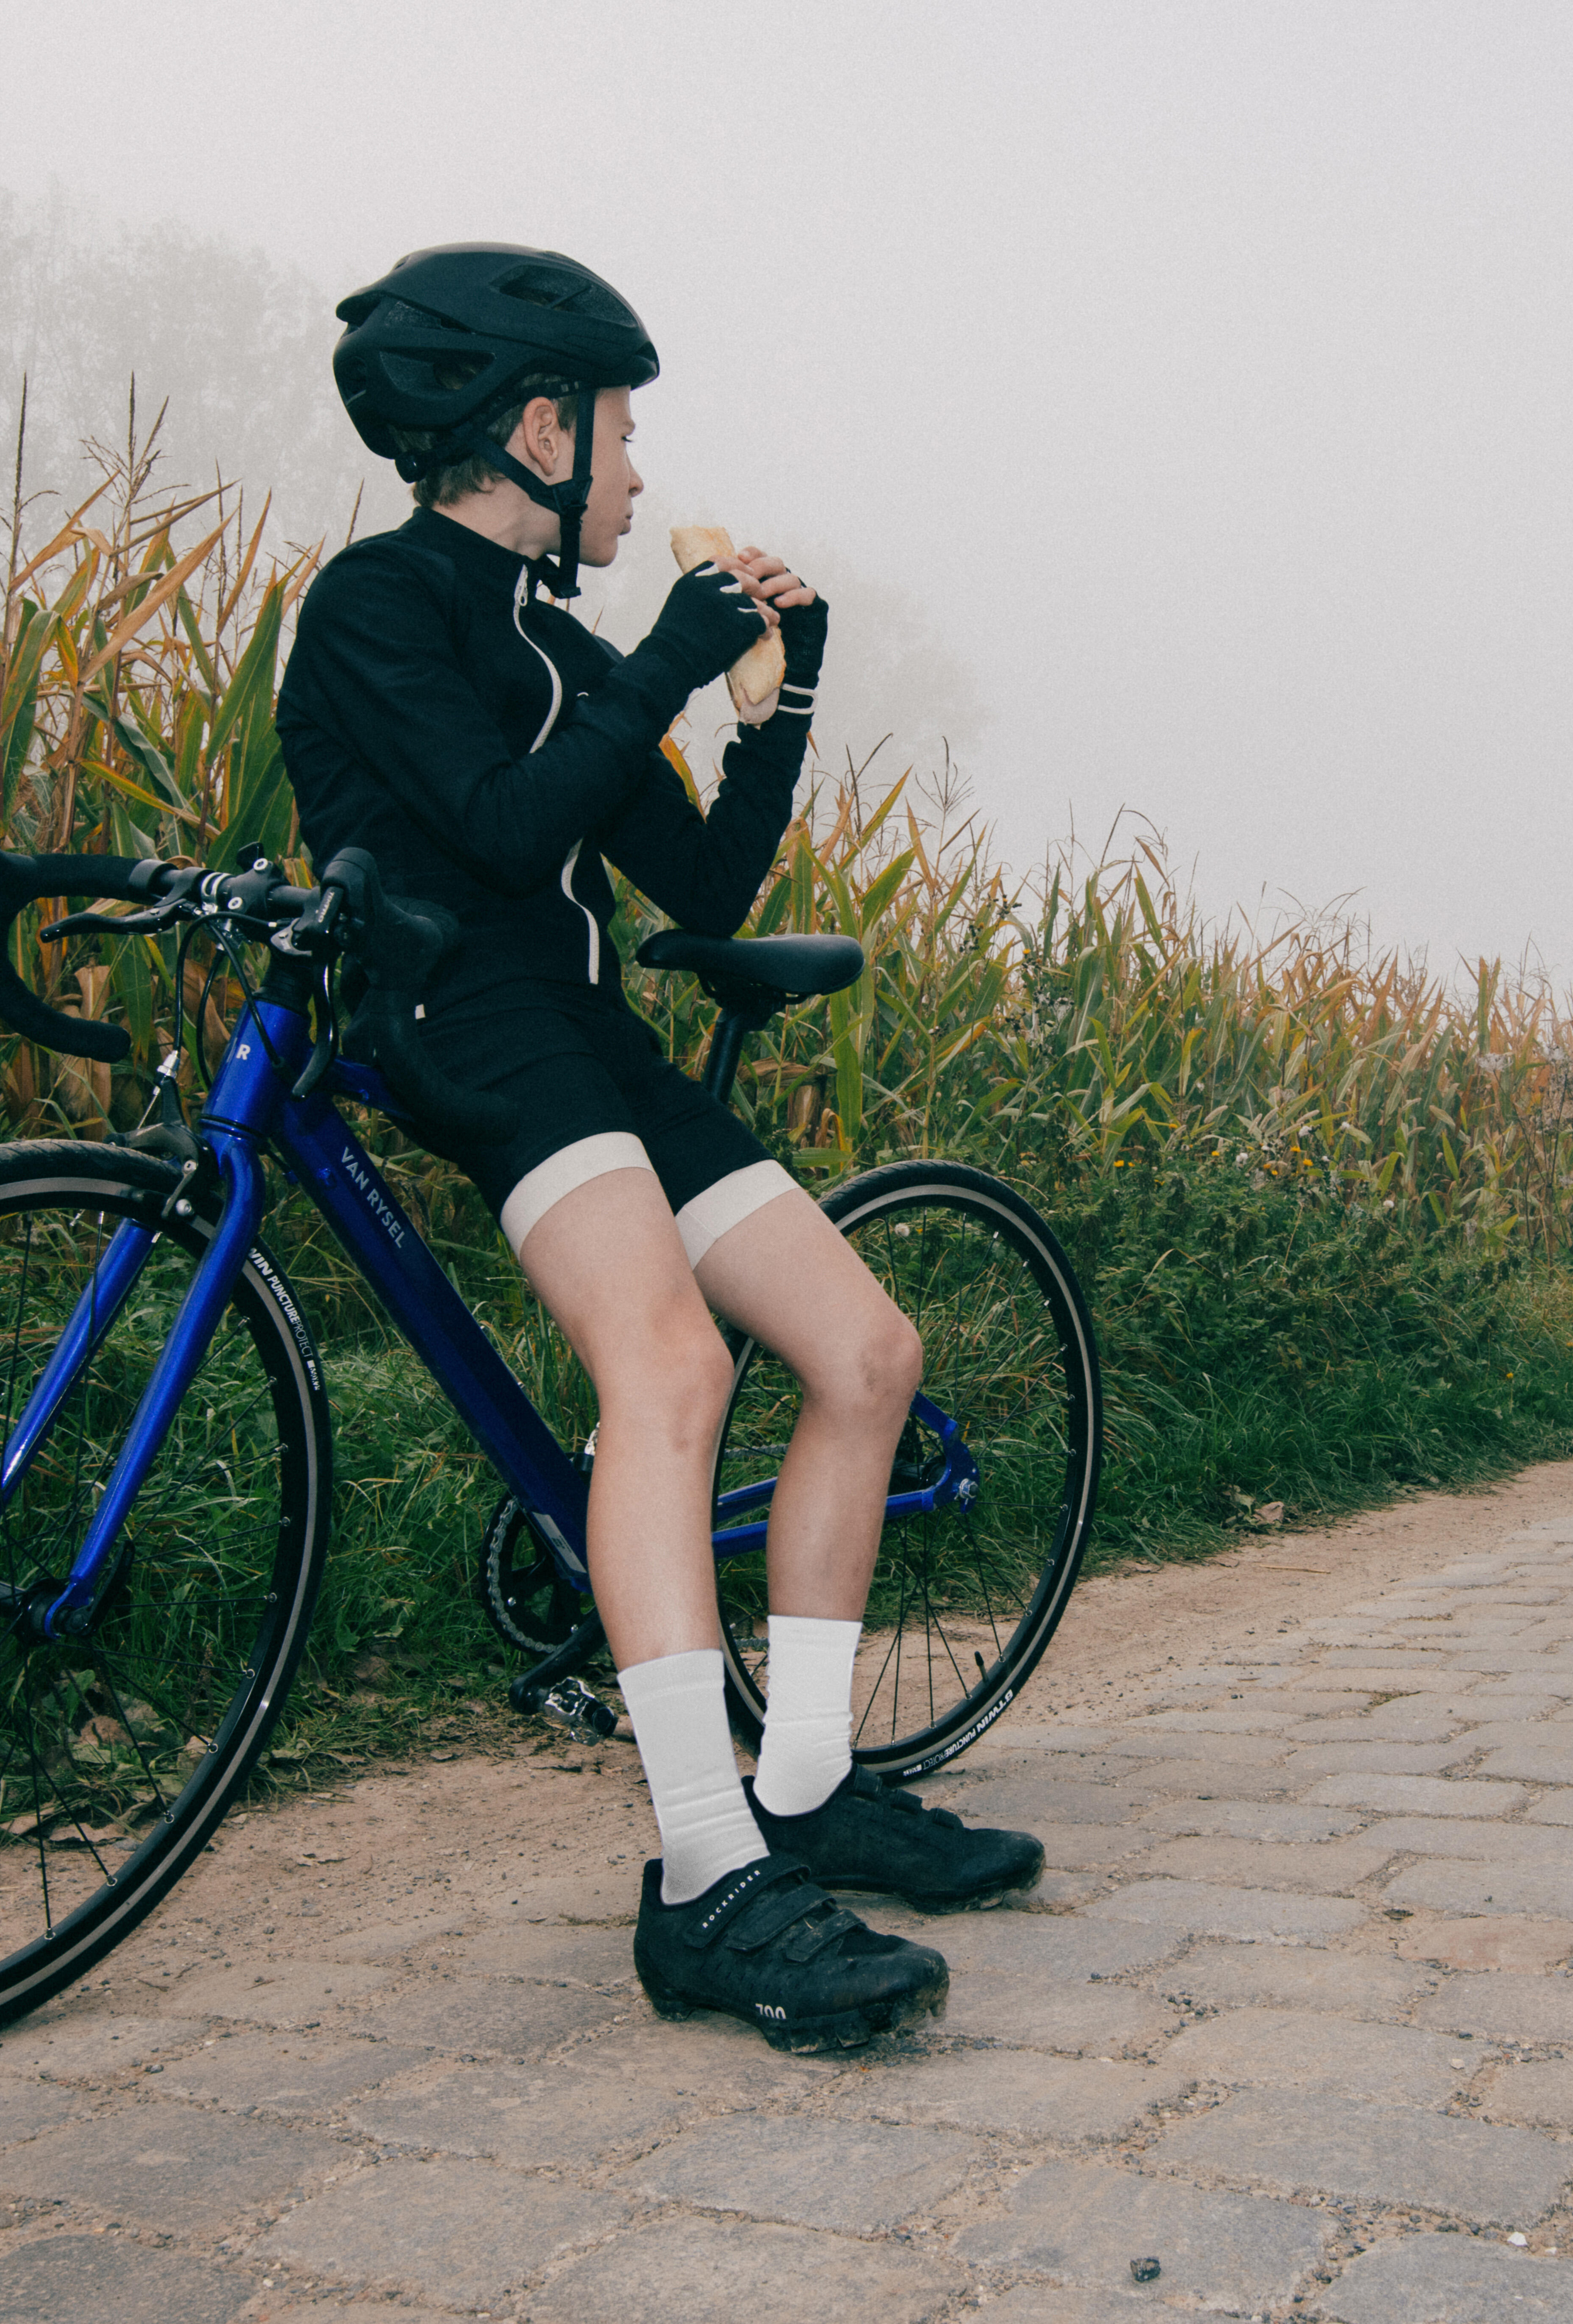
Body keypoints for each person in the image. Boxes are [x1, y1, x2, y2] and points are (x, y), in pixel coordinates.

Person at [276, 244, 1040, 2052]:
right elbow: (486, 818)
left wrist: (772, 706)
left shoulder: (557, 640)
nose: (634, 474)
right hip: (464, 1016)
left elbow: (695, 883)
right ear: (538, 430)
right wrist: (673, 659)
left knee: (866, 1353)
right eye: (619, 436)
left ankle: (801, 1780)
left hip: (594, 1024)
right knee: (670, 1364)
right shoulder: (383, 603)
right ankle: (706, 1875)